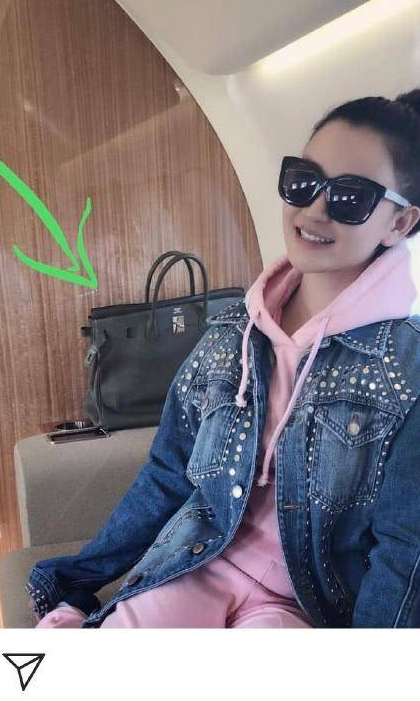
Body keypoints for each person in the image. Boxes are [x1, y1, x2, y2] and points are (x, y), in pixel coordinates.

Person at [28, 88, 420, 628]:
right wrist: (79, 580)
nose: (314, 210)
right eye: (303, 181)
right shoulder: (231, 332)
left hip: (306, 604)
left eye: (351, 197)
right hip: (199, 562)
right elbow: (169, 473)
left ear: (400, 224)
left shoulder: (407, 368)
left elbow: (404, 550)